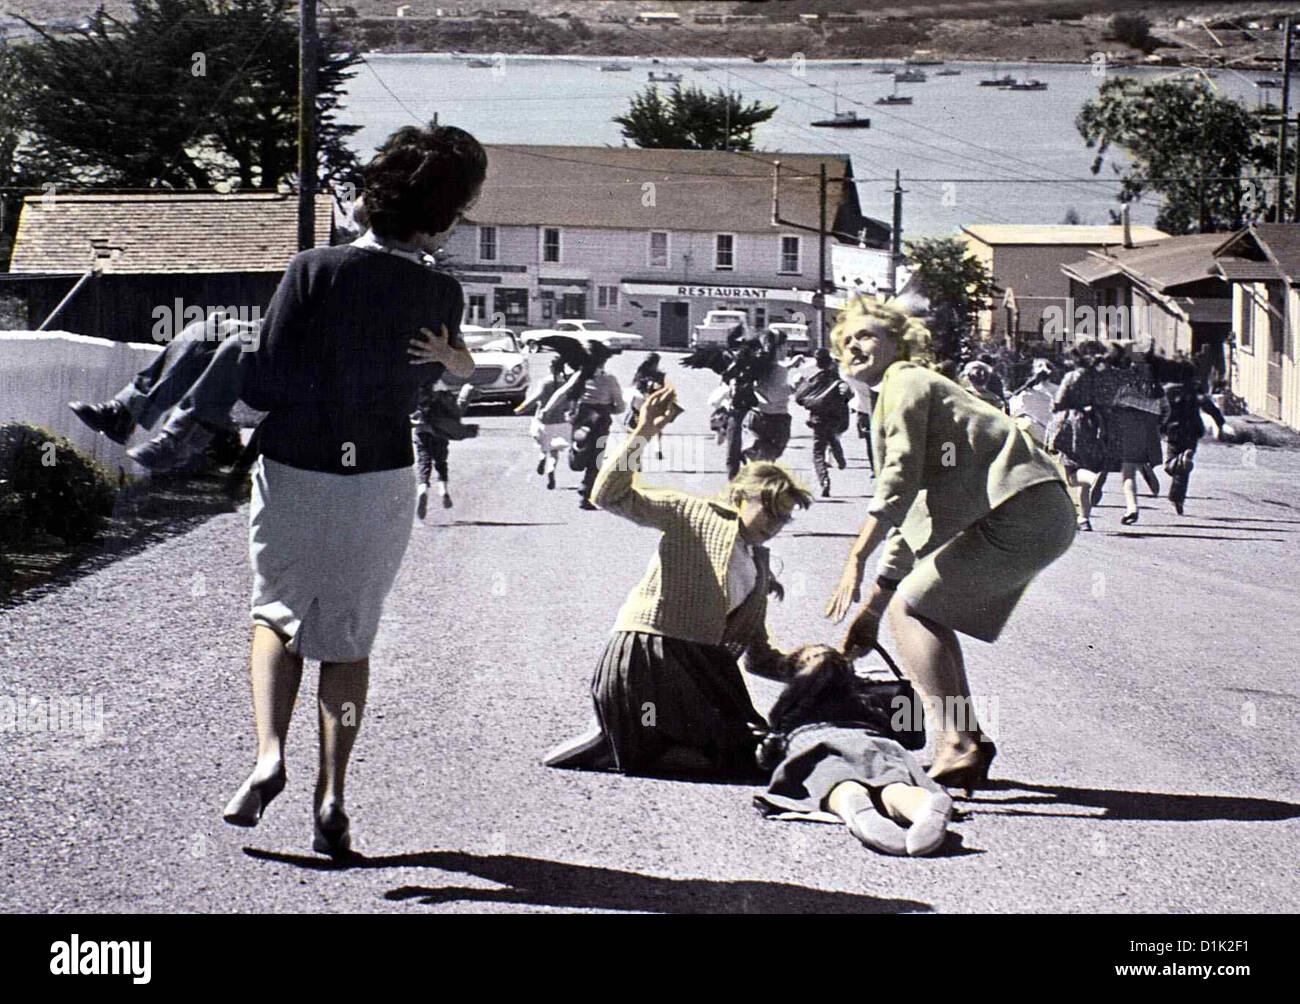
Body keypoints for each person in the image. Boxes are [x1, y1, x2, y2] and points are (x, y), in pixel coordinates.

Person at [218, 123, 484, 858]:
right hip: (379, 471)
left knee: (277, 614)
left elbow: (265, 380)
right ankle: (332, 795)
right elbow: (425, 384)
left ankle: (269, 756)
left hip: (299, 462)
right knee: (349, 636)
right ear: (443, 214)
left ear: (373, 198)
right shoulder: (440, 292)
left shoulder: (312, 269)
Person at [824, 298, 1075, 795]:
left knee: (912, 610)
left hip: (1023, 507)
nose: (855, 345)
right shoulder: (904, 391)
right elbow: (914, 519)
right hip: (1033, 509)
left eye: (868, 335)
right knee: (921, 609)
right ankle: (967, 739)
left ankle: (959, 742)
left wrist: (856, 558)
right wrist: (872, 609)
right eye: (846, 340)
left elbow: (898, 480)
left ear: (899, 341)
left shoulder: (905, 381)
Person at [543, 385, 813, 778]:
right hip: (648, 656)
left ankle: (620, 739)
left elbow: (757, 656)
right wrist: (643, 433)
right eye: (768, 511)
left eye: (783, 518)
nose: (774, 525)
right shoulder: (692, 511)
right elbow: (608, 495)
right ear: (739, 496)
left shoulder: (758, 565)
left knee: (755, 755)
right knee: (724, 760)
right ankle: (619, 735)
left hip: (701, 670)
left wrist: (816, 670)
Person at [755, 644, 952, 857]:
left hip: (815, 746)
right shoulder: (865, 702)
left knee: (835, 784)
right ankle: (922, 805)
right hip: (870, 741)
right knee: (893, 784)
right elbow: (892, 729)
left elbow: (769, 754)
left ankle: (853, 805)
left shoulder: (788, 711)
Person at [69, 314, 259, 469]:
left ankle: (177, 440)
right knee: (205, 330)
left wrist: (254, 330)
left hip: (286, 367)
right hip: (272, 340)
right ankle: (123, 413)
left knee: (240, 342)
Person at [1097, 343, 1166, 525]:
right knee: (1132, 465)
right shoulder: (1157, 390)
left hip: (1126, 429)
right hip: (1149, 431)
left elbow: (1110, 406)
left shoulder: (1124, 388)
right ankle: (1145, 467)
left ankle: (1132, 507)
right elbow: (1166, 410)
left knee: (1124, 471)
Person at [555, 340, 624, 510]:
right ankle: (586, 492)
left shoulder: (578, 376)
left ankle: (577, 454)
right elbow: (620, 406)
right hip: (601, 420)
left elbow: (565, 396)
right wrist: (610, 409)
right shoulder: (609, 380)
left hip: (581, 417)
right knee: (596, 456)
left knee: (581, 451)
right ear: (604, 361)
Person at [1048, 343, 1108, 531]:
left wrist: (1054, 405)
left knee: (1072, 474)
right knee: (1087, 464)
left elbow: (1058, 403)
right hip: (1097, 424)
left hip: (1073, 424)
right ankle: (1084, 518)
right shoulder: (1100, 379)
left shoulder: (1071, 377)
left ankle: (1091, 480)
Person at [1157, 357, 1225, 516]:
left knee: (1169, 465)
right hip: (1192, 431)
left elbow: (1158, 410)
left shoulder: (1167, 391)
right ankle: (1178, 498)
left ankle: (1177, 487)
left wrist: (1157, 427)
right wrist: (1220, 424)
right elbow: (1209, 406)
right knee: (1184, 468)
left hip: (1174, 431)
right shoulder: (1194, 390)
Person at [412, 379, 477, 516]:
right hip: (440, 433)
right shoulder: (442, 392)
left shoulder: (416, 392)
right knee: (441, 464)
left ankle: (423, 489)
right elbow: (455, 410)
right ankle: (444, 492)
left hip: (422, 433)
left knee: (423, 464)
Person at [793, 348, 852, 497]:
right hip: (834, 418)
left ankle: (824, 480)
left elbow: (799, 397)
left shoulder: (813, 378)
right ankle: (840, 458)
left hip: (818, 419)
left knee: (818, 452)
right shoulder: (837, 378)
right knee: (832, 437)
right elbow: (847, 396)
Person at [514, 355, 571, 490]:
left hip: (544, 420)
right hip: (561, 421)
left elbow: (533, 399)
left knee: (543, 444)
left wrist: (520, 409)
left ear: (550, 367)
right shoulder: (566, 383)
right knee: (554, 451)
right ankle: (551, 469)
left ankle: (542, 457)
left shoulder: (545, 383)